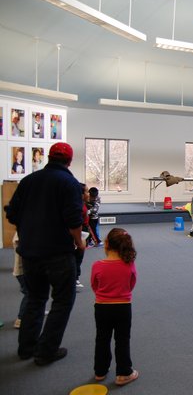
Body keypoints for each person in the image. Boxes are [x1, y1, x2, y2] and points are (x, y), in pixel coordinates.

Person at [5, 142, 85, 365]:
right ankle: (46, 351)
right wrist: (79, 243)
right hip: (58, 253)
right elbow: (74, 220)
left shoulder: (29, 181)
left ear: (48, 157)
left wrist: (28, 229)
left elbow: (11, 214)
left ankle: (26, 348)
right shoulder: (69, 183)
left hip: (30, 253)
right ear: (69, 160)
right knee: (62, 300)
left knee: (35, 298)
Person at [91, 228, 139, 386]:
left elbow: (94, 285)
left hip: (102, 307)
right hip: (123, 307)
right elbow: (131, 284)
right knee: (122, 339)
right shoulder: (129, 265)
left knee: (102, 338)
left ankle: (100, 371)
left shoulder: (97, 265)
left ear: (106, 244)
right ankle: (123, 373)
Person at [12, 233, 27, 329]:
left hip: (25, 270)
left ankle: (35, 311)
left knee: (34, 293)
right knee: (30, 294)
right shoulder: (23, 231)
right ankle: (20, 319)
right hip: (24, 271)